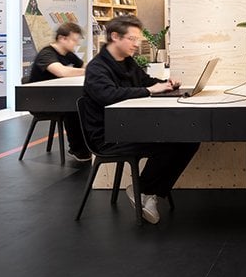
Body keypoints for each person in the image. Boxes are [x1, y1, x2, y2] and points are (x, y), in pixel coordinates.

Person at [81, 15, 199, 224]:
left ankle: (147, 191)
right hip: (108, 136)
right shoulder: (97, 68)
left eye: (137, 39)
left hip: (130, 127)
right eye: (132, 39)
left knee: (189, 140)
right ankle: (144, 191)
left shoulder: (127, 62)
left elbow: (146, 81)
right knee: (170, 143)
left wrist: (166, 84)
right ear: (115, 36)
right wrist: (149, 90)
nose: (137, 44)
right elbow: (109, 96)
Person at [29, 22, 90, 162]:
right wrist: (89, 71)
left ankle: (89, 145)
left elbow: (84, 66)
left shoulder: (68, 54)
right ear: (62, 38)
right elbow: (61, 71)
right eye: (74, 40)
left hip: (58, 97)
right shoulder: (46, 54)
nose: (76, 43)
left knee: (84, 104)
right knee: (74, 107)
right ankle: (78, 149)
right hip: (41, 101)